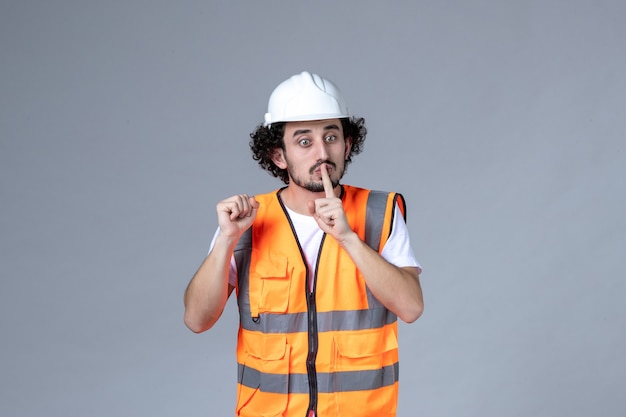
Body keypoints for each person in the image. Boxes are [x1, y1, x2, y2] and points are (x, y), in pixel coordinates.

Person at [184, 71, 424, 417]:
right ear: (279, 156)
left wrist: (348, 238)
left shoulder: (379, 212)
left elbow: (412, 308)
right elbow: (196, 319)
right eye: (304, 141)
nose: (322, 153)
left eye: (331, 136)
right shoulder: (247, 220)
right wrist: (225, 240)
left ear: (348, 145)